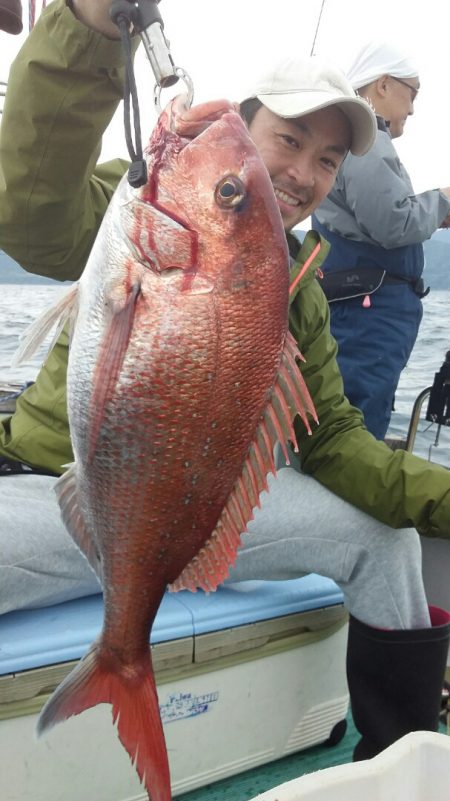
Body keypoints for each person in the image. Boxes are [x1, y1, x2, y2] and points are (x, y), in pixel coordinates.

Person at [0, 0, 450, 763]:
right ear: (244, 124)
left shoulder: (301, 289)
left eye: (329, 161)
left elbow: (335, 437)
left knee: (388, 541)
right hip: (55, 488)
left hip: (192, 521)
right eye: (288, 139)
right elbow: (30, 213)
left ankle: (403, 759)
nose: (302, 174)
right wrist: (85, 27)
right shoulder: (141, 205)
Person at [312, 40, 450, 440]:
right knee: (357, 420)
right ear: (384, 85)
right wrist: (442, 199)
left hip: (358, 307)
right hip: (366, 314)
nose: (412, 107)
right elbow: (393, 222)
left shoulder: (357, 141)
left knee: (346, 411)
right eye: (412, 92)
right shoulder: (366, 138)